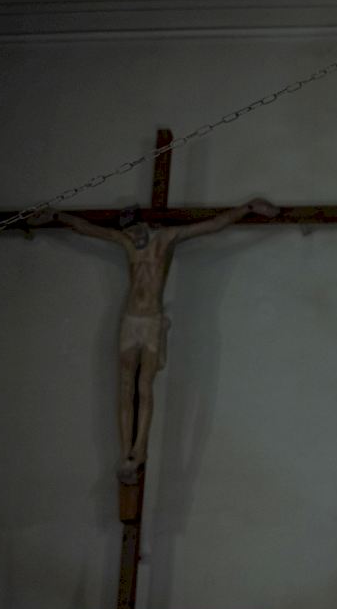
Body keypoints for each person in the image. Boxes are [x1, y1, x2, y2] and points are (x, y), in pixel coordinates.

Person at [32, 199, 278, 480]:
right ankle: (124, 452)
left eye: (135, 229)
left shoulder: (165, 239)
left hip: (151, 322)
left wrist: (247, 208)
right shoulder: (126, 244)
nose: (133, 235)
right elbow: (87, 229)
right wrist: (57, 216)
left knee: (144, 386)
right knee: (125, 387)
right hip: (130, 321)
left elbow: (213, 225)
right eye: (129, 230)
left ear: (145, 226)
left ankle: (139, 449)